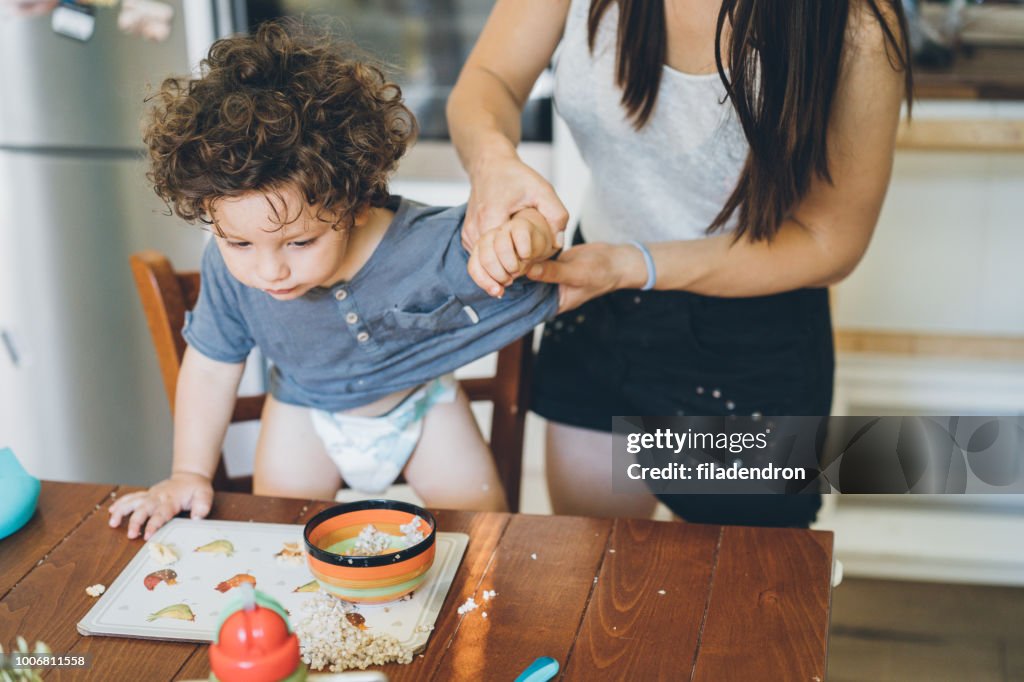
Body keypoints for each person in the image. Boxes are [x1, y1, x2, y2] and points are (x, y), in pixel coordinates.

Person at [447, 0, 913, 526]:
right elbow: (490, 78)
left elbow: (830, 240)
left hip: (749, 337)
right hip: (599, 305)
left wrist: (633, 265)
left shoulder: (854, 23)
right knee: (596, 578)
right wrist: (493, 162)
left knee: (742, 595)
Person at [108, 21, 559, 540]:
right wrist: (188, 473)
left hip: (420, 405)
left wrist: (525, 234)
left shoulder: (428, 243)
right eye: (239, 244)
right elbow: (211, 369)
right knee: (279, 537)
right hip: (303, 412)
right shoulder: (228, 269)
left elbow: (528, 235)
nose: (269, 270)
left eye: (299, 243)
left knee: (485, 536)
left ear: (357, 203)